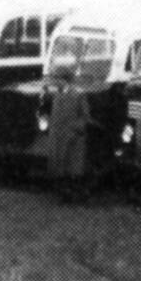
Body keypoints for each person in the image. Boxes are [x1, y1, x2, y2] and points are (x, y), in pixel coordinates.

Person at [44, 61, 93, 202]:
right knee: (60, 167)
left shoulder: (78, 95)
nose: (54, 82)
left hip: (73, 138)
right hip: (58, 136)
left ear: (63, 80)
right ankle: (64, 194)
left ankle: (77, 195)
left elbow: (85, 117)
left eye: (56, 79)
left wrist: (75, 130)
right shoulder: (56, 95)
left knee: (73, 169)